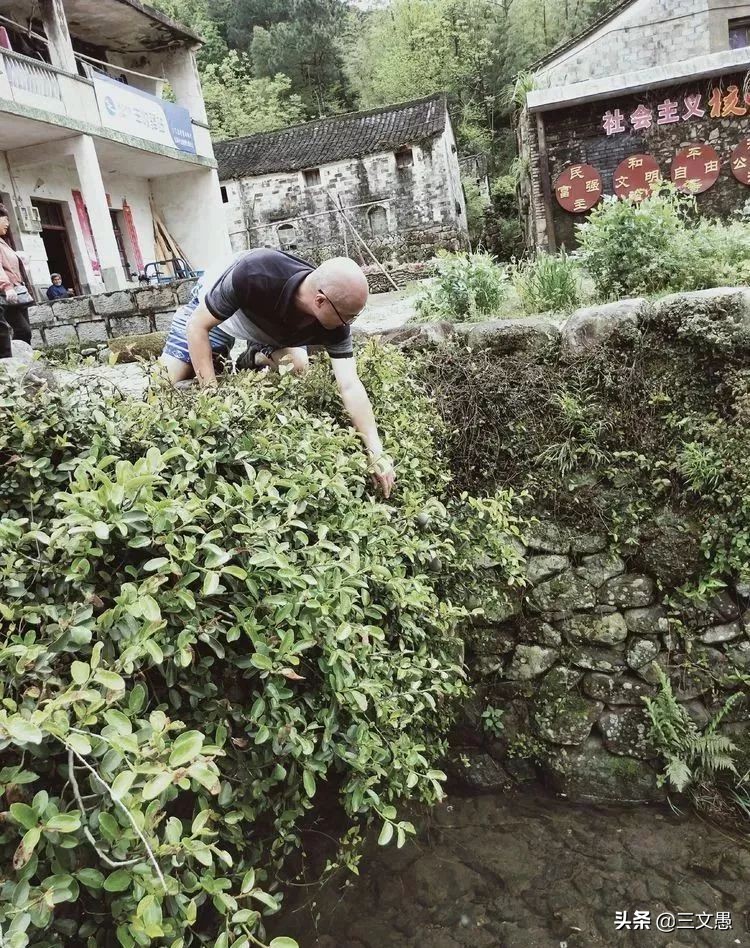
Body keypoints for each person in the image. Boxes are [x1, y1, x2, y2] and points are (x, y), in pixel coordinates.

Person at [159, 249, 395, 498]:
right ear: (319, 301)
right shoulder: (253, 273)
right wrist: (214, 400)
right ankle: (219, 353)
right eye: (347, 317)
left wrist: (375, 449)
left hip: (271, 330)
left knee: (298, 365)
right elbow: (197, 325)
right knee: (166, 382)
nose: (348, 325)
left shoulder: (336, 316)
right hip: (215, 313)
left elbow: (349, 384)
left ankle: (255, 355)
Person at [0, 205, 33, 360]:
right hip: (6, 295)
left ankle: (24, 363)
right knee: (22, 331)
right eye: (5, 219)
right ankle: (13, 363)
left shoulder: (3, 242)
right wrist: (6, 287)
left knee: (26, 332)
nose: (8, 223)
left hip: (17, 293)